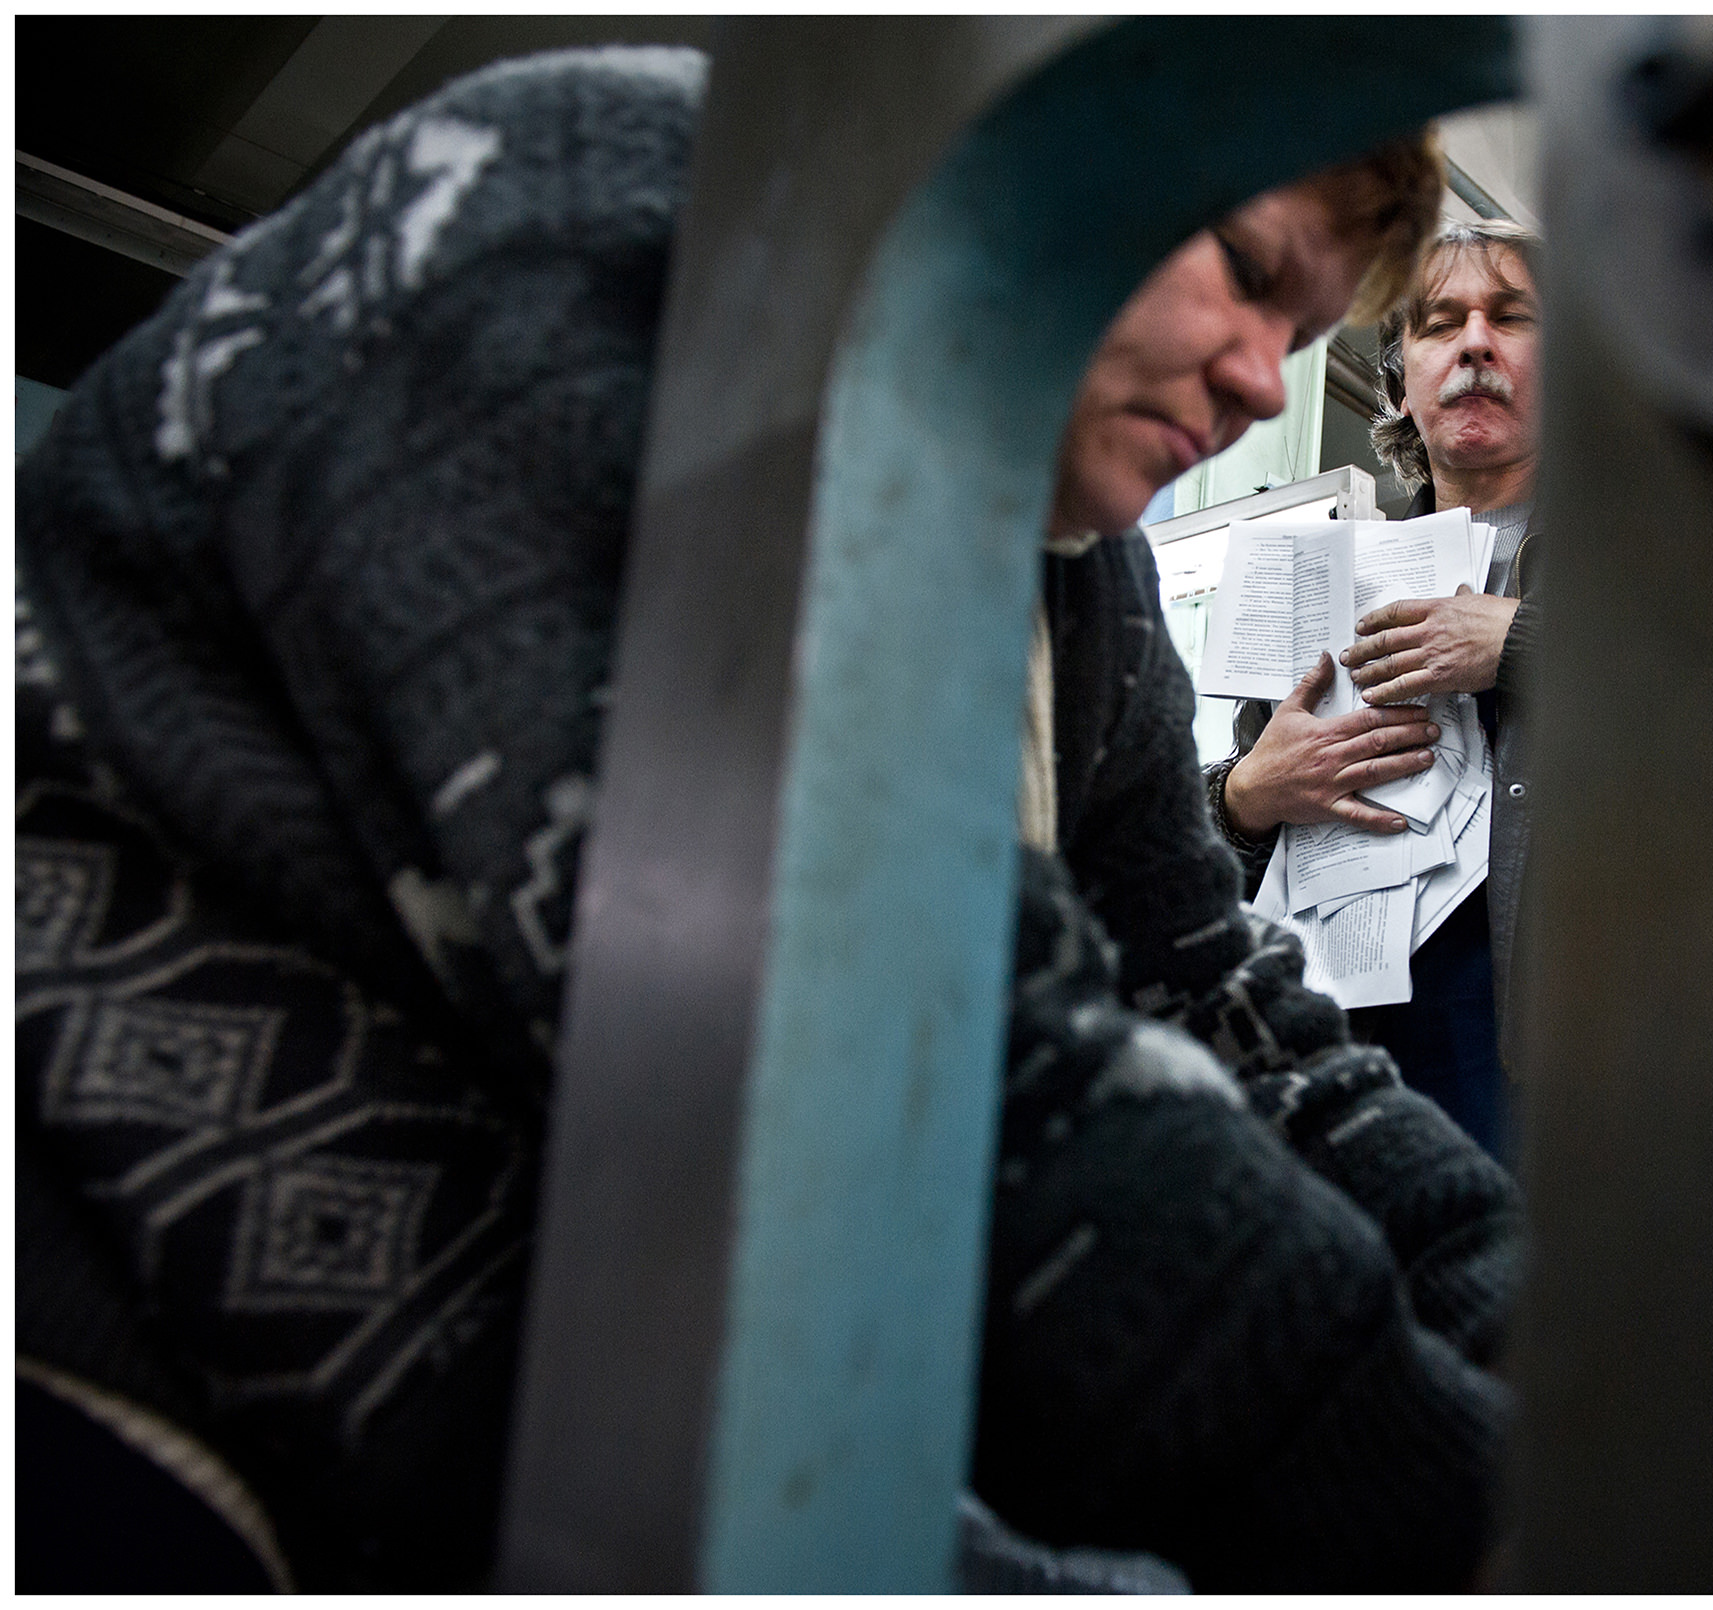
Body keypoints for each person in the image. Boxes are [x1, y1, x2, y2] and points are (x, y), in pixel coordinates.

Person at [16, 47, 1519, 1593]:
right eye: (1246, 272)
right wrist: (1499, 1510)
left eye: (1304, 332)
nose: (1268, 379)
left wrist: (1539, 1337)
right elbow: (882, 1032)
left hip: (520, 1396)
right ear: (1035, 127)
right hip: (116, 1336)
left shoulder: (1080, 570)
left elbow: (1215, 1002)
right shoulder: (595, 216)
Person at [1205, 217, 1543, 1162]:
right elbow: (1185, 854)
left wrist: (1519, 640)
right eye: (1439, 324)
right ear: (1398, 381)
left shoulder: (1648, 557)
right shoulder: (1325, 578)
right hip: (1346, 1056)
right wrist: (1246, 798)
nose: (1474, 342)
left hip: (1559, 1068)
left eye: (1510, 316)